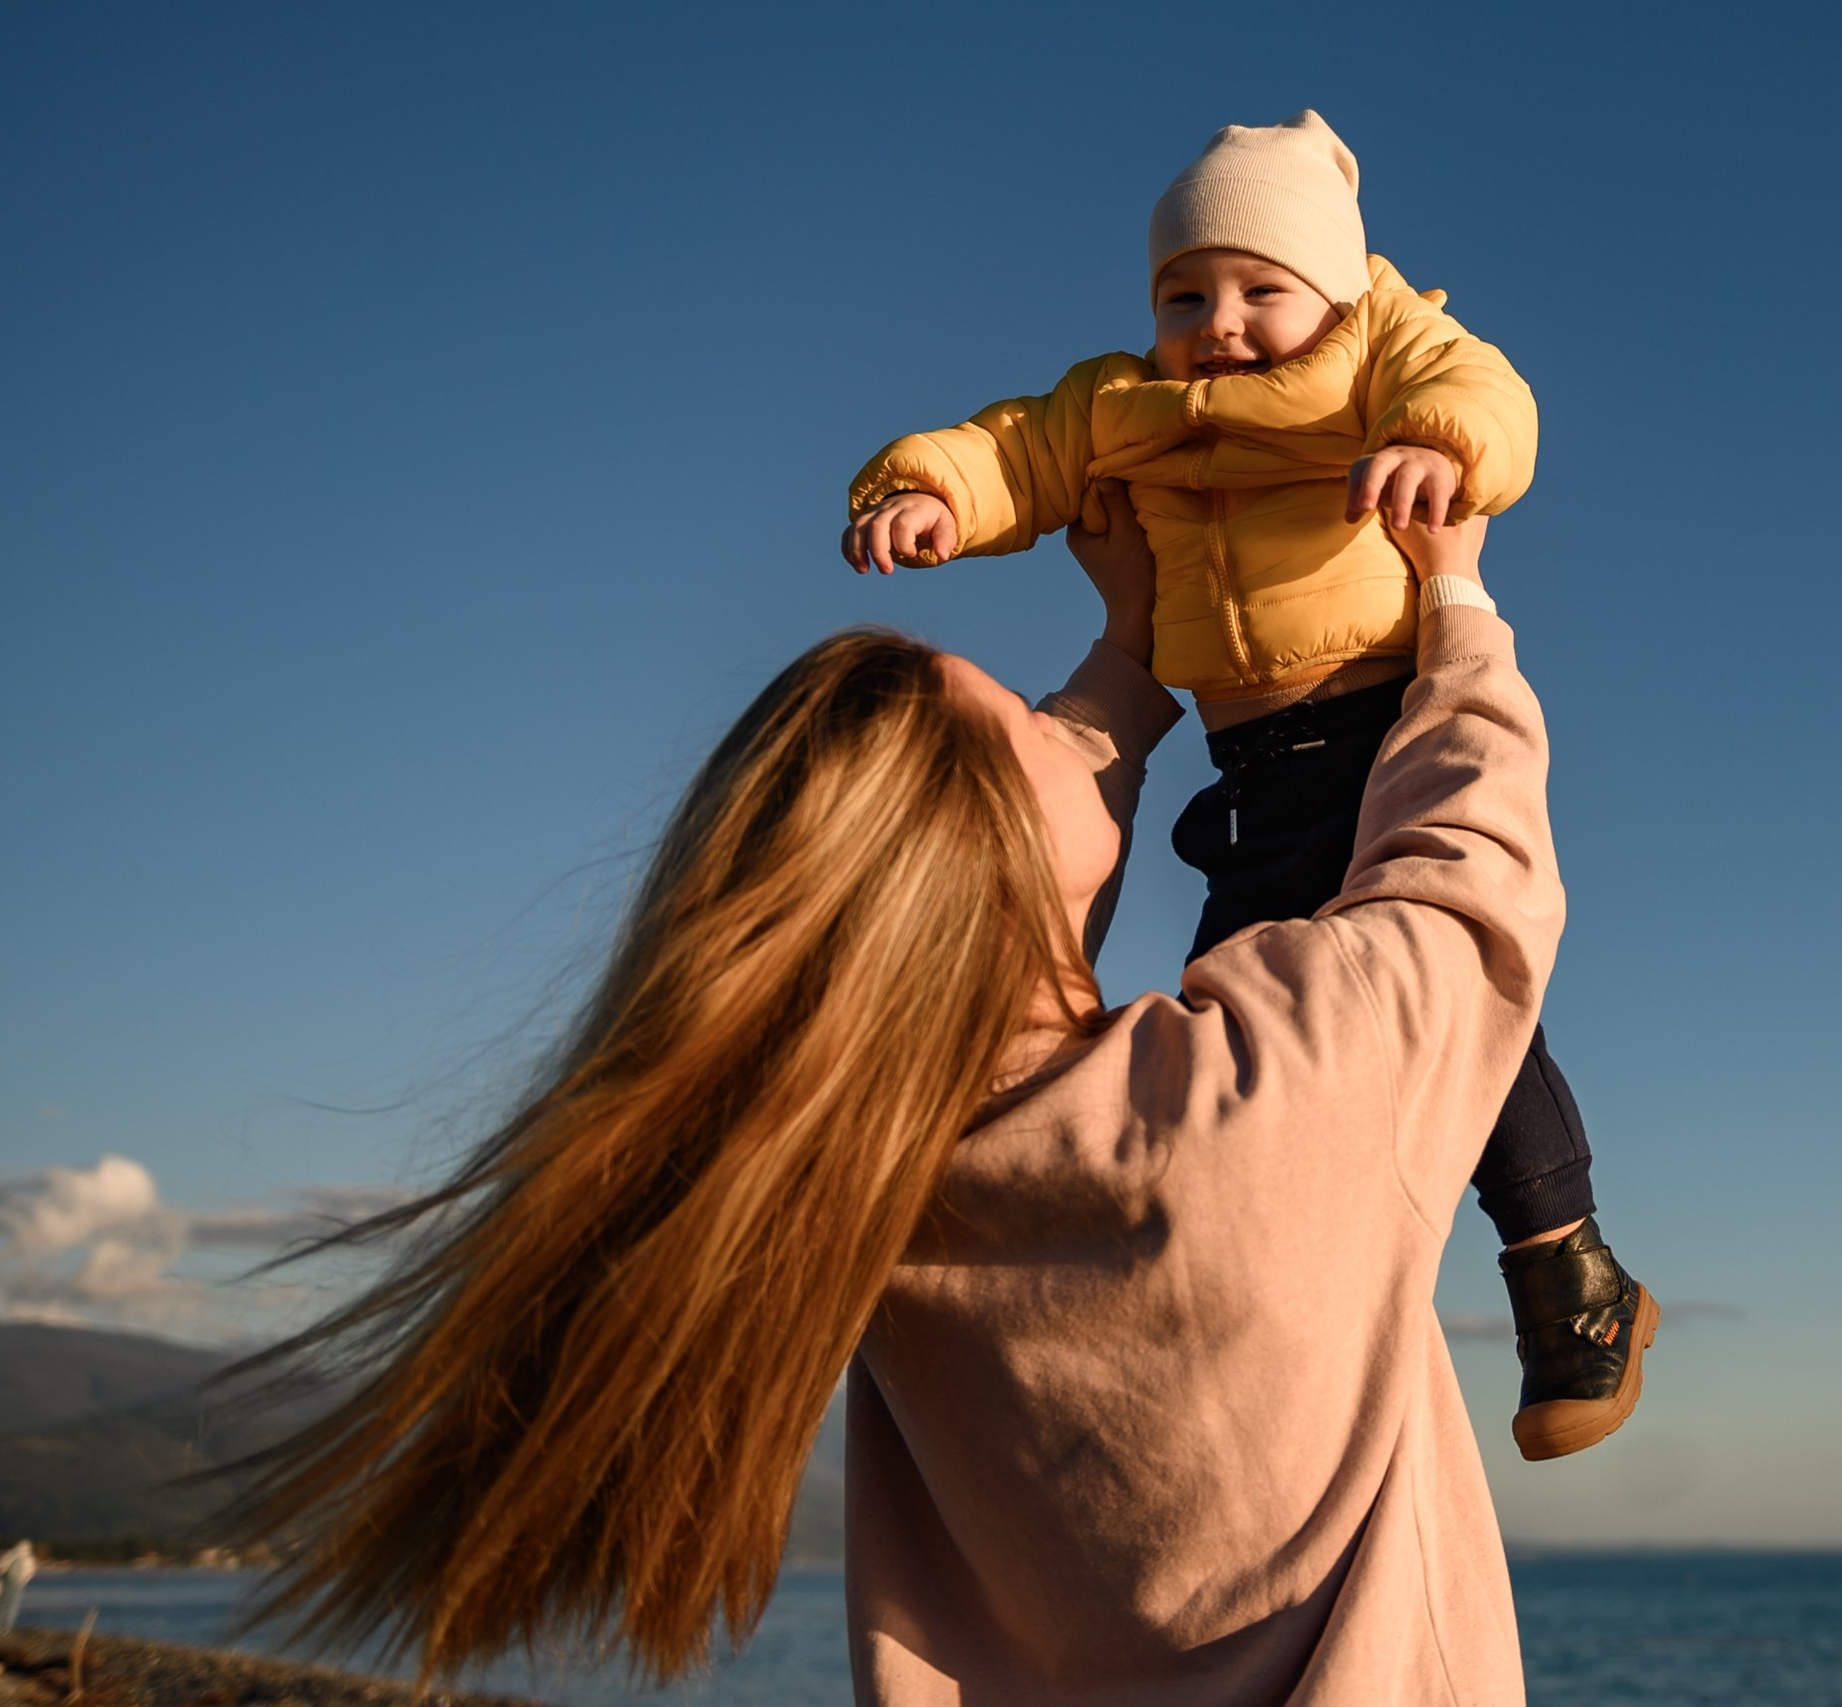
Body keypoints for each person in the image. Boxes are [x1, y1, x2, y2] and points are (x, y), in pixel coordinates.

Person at [222, 496, 1654, 1700]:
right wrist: (1453, 591)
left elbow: (992, 975)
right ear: (993, 869)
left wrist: (1130, 645)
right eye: (1029, 720)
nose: (1065, 720)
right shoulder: (1253, 1095)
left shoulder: (870, 1194)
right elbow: (1466, 882)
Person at [843, 110, 1646, 1461]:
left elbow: (1490, 397)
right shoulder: (1116, 407)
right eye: (1184, 294)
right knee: (1233, 1033)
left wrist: (1441, 450)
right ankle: (1258, 1310)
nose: (1219, 322)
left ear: (1334, 285)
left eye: (1261, 290)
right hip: (1251, 773)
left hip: (1385, 725)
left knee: (1451, 1006)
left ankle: (1567, 1269)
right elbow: (1009, 450)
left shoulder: (1385, 349)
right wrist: (923, 490)